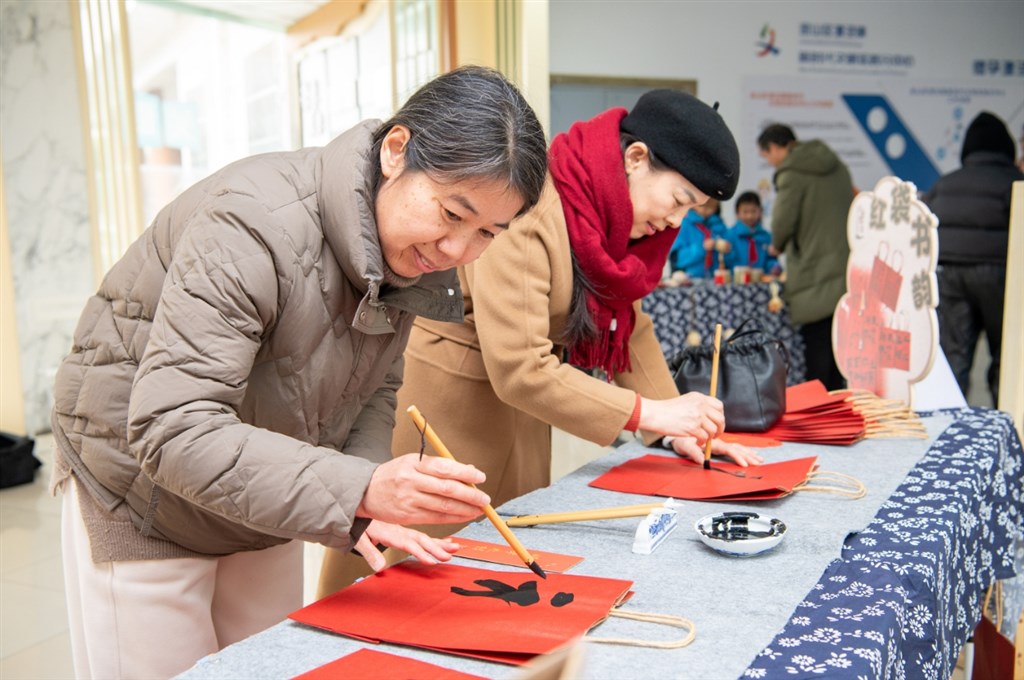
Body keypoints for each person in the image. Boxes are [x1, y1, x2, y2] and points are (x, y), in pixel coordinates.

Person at [49, 65, 549, 679]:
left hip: (262, 481)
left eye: (487, 234)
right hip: (140, 490)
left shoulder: (419, 255)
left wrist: (367, 491)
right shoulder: (252, 223)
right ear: (396, 151)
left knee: (268, 664)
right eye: (451, 213)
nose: (457, 252)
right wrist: (357, 489)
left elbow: (376, 390)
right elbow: (171, 428)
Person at [319, 89, 763, 596]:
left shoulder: (611, 219)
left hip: (523, 415)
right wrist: (649, 413)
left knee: (499, 579)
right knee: (416, 579)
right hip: (452, 407)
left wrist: (676, 425)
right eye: (680, 200)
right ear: (635, 158)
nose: (677, 221)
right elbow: (521, 367)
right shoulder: (530, 209)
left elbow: (626, 324)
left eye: (694, 210)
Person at [923, 111, 1023, 406]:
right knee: (1005, 354)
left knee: (955, 359)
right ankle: (1006, 425)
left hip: (949, 273)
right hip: (999, 274)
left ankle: (950, 428)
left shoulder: (945, 183)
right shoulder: (1014, 182)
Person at [757, 123, 853, 390]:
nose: (770, 162)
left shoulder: (792, 174)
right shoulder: (836, 166)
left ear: (776, 147)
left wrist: (777, 245)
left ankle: (820, 416)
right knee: (839, 348)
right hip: (845, 269)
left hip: (814, 272)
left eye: (767, 155)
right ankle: (840, 410)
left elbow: (782, 223)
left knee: (817, 346)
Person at [668, 198, 731, 277]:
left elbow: (729, 261)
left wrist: (727, 250)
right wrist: (702, 247)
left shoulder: (719, 225)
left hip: (716, 279)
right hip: (689, 280)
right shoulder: (684, 225)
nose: (705, 209)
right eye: (703, 205)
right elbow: (677, 259)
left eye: (710, 205)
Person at [725, 191, 780, 275]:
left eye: (753, 211)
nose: (749, 216)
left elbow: (770, 260)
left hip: (761, 283)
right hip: (736, 283)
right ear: (737, 213)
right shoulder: (730, 235)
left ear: (760, 212)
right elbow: (726, 262)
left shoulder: (766, 236)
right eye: (745, 212)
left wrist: (774, 267)